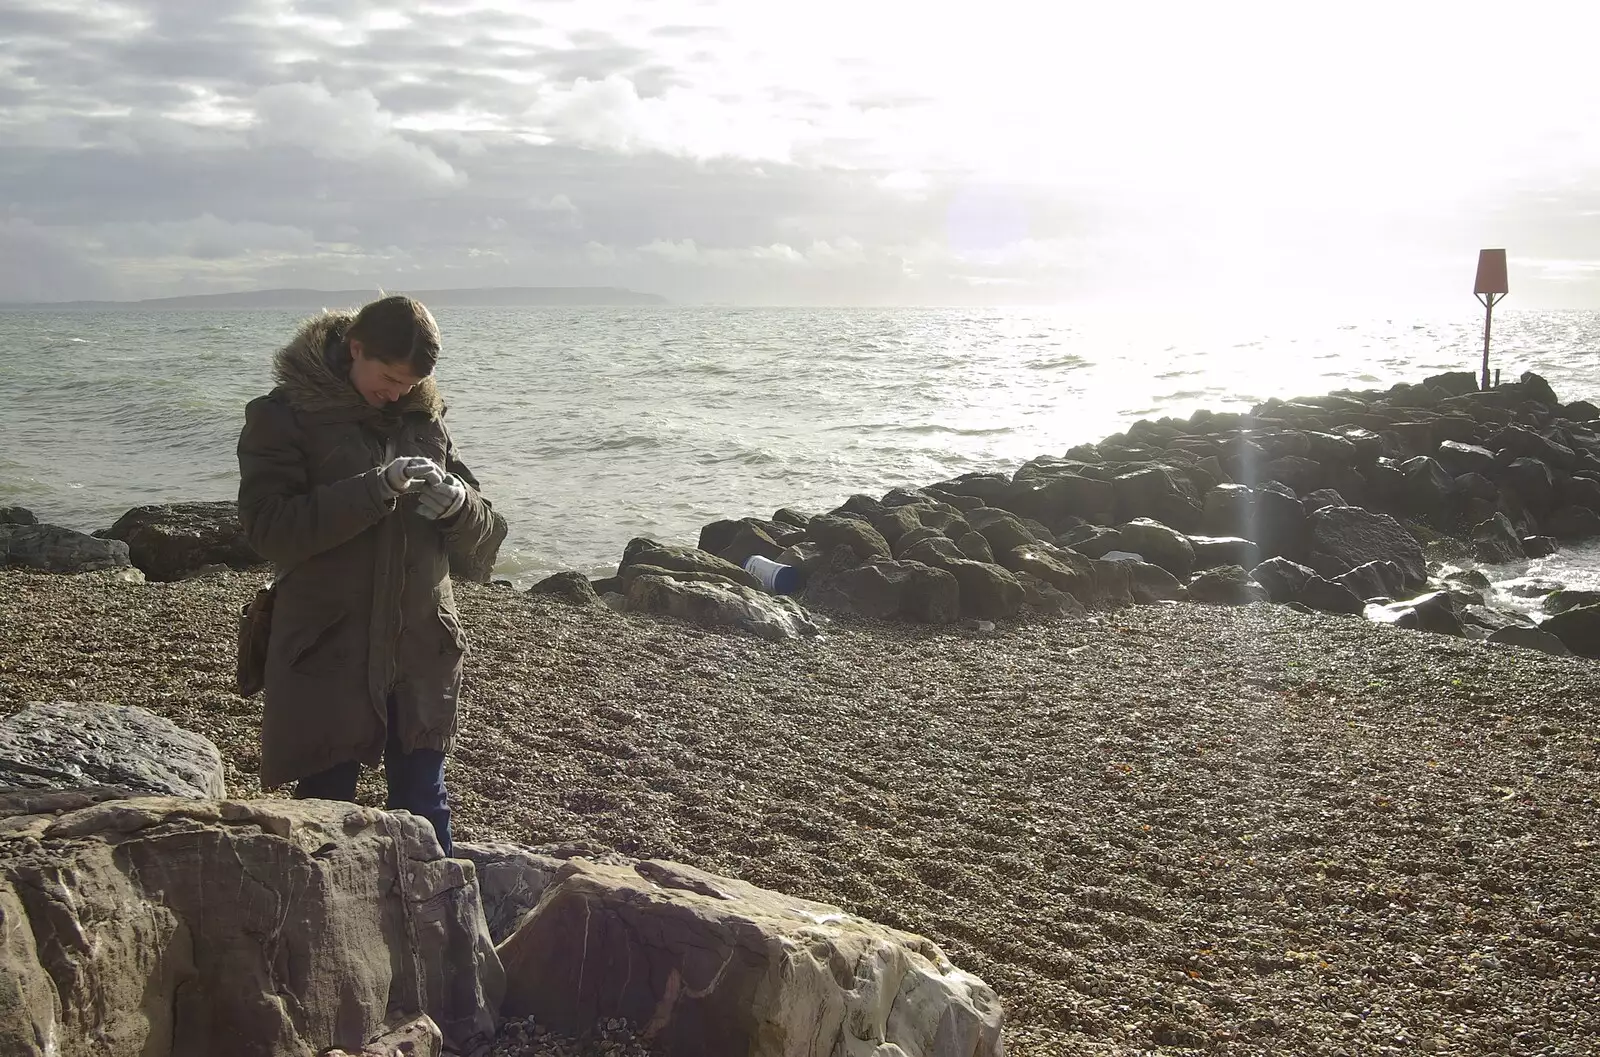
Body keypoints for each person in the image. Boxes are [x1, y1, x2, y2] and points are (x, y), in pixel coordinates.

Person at [235, 294, 498, 856]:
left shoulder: (423, 417)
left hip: (422, 646)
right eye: (387, 377)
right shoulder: (282, 415)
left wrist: (457, 505)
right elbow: (268, 529)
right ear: (355, 349)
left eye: (409, 383)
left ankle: (440, 937)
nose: (397, 392)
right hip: (328, 648)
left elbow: (485, 536)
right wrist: (374, 489)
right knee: (326, 816)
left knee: (425, 811)